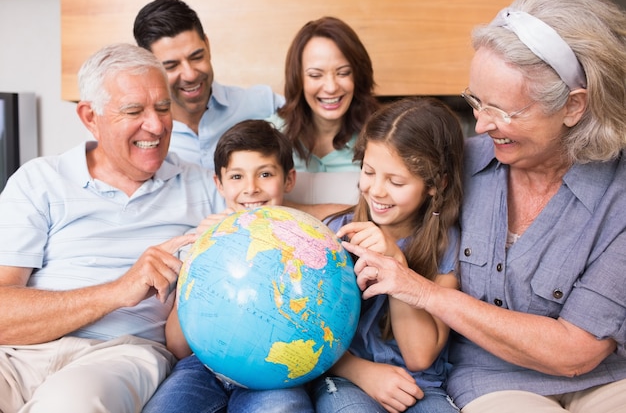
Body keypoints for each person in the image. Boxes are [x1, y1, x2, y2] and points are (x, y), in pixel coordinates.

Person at [341, 0, 626, 412]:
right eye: (476, 101)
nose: (480, 124)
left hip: (606, 378)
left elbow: (578, 351)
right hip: (490, 380)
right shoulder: (463, 163)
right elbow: (384, 204)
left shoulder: (617, 194)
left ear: (573, 106)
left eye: (502, 110)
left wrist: (417, 289)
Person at [0, 43, 221, 413]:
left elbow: (272, 209)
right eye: (134, 111)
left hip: (122, 354)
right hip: (19, 353)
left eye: (163, 108)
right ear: (90, 116)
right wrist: (119, 290)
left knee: (70, 405)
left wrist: (352, 205)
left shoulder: (202, 185)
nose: (156, 125)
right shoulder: (39, 179)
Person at [142, 119, 315, 413]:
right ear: (218, 184)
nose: (251, 188)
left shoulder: (308, 245)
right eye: (236, 177)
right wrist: (201, 257)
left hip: (275, 368)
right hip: (203, 366)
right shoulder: (205, 240)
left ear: (289, 179)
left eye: (265, 173)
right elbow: (179, 347)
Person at [311, 97, 464, 413]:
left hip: (422, 385)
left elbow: (420, 357)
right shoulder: (337, 233)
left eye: (396, 181)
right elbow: (310, 334)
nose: (377, 190)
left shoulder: (447, 246)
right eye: (368, 171)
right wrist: (359, 371)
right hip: (346, 377)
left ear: (437, 184)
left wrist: (396, 265)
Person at [133, 0, 284, 172]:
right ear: (148, 66)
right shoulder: (140, 135)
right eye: (171, 66)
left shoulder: (262, 103)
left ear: (207, 45)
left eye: (197, 57)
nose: (190, 75)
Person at [269, 16, 379, 173]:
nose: (331, 87)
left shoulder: (382, 138)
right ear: (298, 79)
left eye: (343, 73)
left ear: (358, 76)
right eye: (315, 75)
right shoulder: (271, 134)